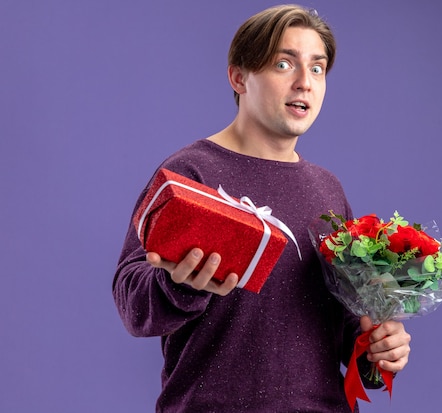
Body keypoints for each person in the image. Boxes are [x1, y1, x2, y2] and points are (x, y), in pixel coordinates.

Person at [113, 5, 411, 412]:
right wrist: (180, 285)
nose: (304, 83)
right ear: (239, 77)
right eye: (284, 64)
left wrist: (377, 351)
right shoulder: (188, 173)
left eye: (318, 68)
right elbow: (132, 301)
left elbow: (341, 326)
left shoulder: (328, 190)